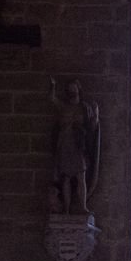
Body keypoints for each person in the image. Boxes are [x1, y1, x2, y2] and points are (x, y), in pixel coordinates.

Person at [49, 79, 101, 214]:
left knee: (81, 176)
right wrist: (53, 86)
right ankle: (66, 208)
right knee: (66, 177)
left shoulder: (84, 108)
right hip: (65, 145)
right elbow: (52, 100)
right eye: (70, 89)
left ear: (78, 90)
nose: (72, 92)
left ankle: (83, 206)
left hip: (79, 146)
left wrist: (96, 115)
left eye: (74, 89)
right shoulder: (64, 107)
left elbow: (91, 127)